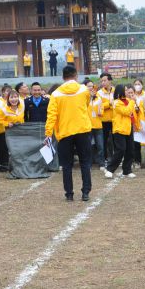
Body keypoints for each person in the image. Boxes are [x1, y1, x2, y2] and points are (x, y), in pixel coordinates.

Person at [45, 65, 93, 201]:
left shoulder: (55, 94)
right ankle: (85, 192)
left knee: (66, 165)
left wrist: (48, 133)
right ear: (76, 75)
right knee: (85, 162)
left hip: (65, 132)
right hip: (82, 129)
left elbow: (51, 115)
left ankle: (69, 194)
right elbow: (86, 104)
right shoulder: (84, 90)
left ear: (63, 77)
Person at [104, 84, 138, 179]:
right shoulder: (116, 102)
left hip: (128, 128)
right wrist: (133, 102)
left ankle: (127, 171)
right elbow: (126, 112)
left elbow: (132, 114)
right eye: (126, 90)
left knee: (130, 150)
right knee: (120, 150)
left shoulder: (128, 101)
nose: (128, 92)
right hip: (119, 129)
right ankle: (110, 169)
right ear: (121, 92)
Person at [86, 80, 105, 168]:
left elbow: (102, 107)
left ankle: (101, 163)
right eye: (89, 86)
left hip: (98, 125)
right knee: (88, 146)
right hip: (88, 126)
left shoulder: (98, 98)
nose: (91, 88)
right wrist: (90, 97)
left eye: (92, 86)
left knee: (100, 146)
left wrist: (101, 112)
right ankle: (88, 164)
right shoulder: (84, 98)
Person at [98, 73, 115, 161]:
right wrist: (109, 104)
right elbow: (99, 106)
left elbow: (118, 103)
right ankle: (104, 159)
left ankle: (116, 158)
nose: (103, 83)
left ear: (110, 80)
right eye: (101, 81)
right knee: (103, 140)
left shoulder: (116, 91)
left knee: (116, 140)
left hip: (114, 120)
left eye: (105, 80)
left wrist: (110, 105)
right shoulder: (99, 93)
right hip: (103, 121)